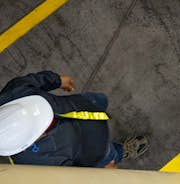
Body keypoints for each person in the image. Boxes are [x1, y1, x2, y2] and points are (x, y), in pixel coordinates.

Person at [0, 70, 148, 168]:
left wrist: (57, 80)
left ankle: (101, 105)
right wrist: (102, 172)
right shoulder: (32, 164)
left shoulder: (14, 93)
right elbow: (72, 176)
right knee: (109, 155)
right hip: (94, 148)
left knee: (99, 100)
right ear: (25, 144)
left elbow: (33, 80)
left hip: (84, 105)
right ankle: (120, 151)